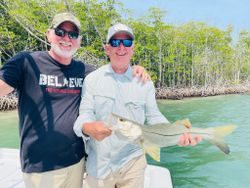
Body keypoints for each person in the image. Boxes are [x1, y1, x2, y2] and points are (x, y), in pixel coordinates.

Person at [0, 13, 149, 188]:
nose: (66, 38)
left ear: (79, 40)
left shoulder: (86, 72)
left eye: (73, 34)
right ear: (49, 34)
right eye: (60, 32)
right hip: (40, 166)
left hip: (77, 162)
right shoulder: (26, 62)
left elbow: (116, 72)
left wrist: (136, 69)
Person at [73, 23, 202, 188]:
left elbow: (154, 116)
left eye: (126, 43)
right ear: (107, 49)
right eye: (115, 42)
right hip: (99, 165)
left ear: (132, 49)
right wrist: (87, 127)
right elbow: (84, 114)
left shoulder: (145, 82)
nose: (121, 47)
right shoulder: (92, 79)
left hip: (133, 163)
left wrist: (175, 134)